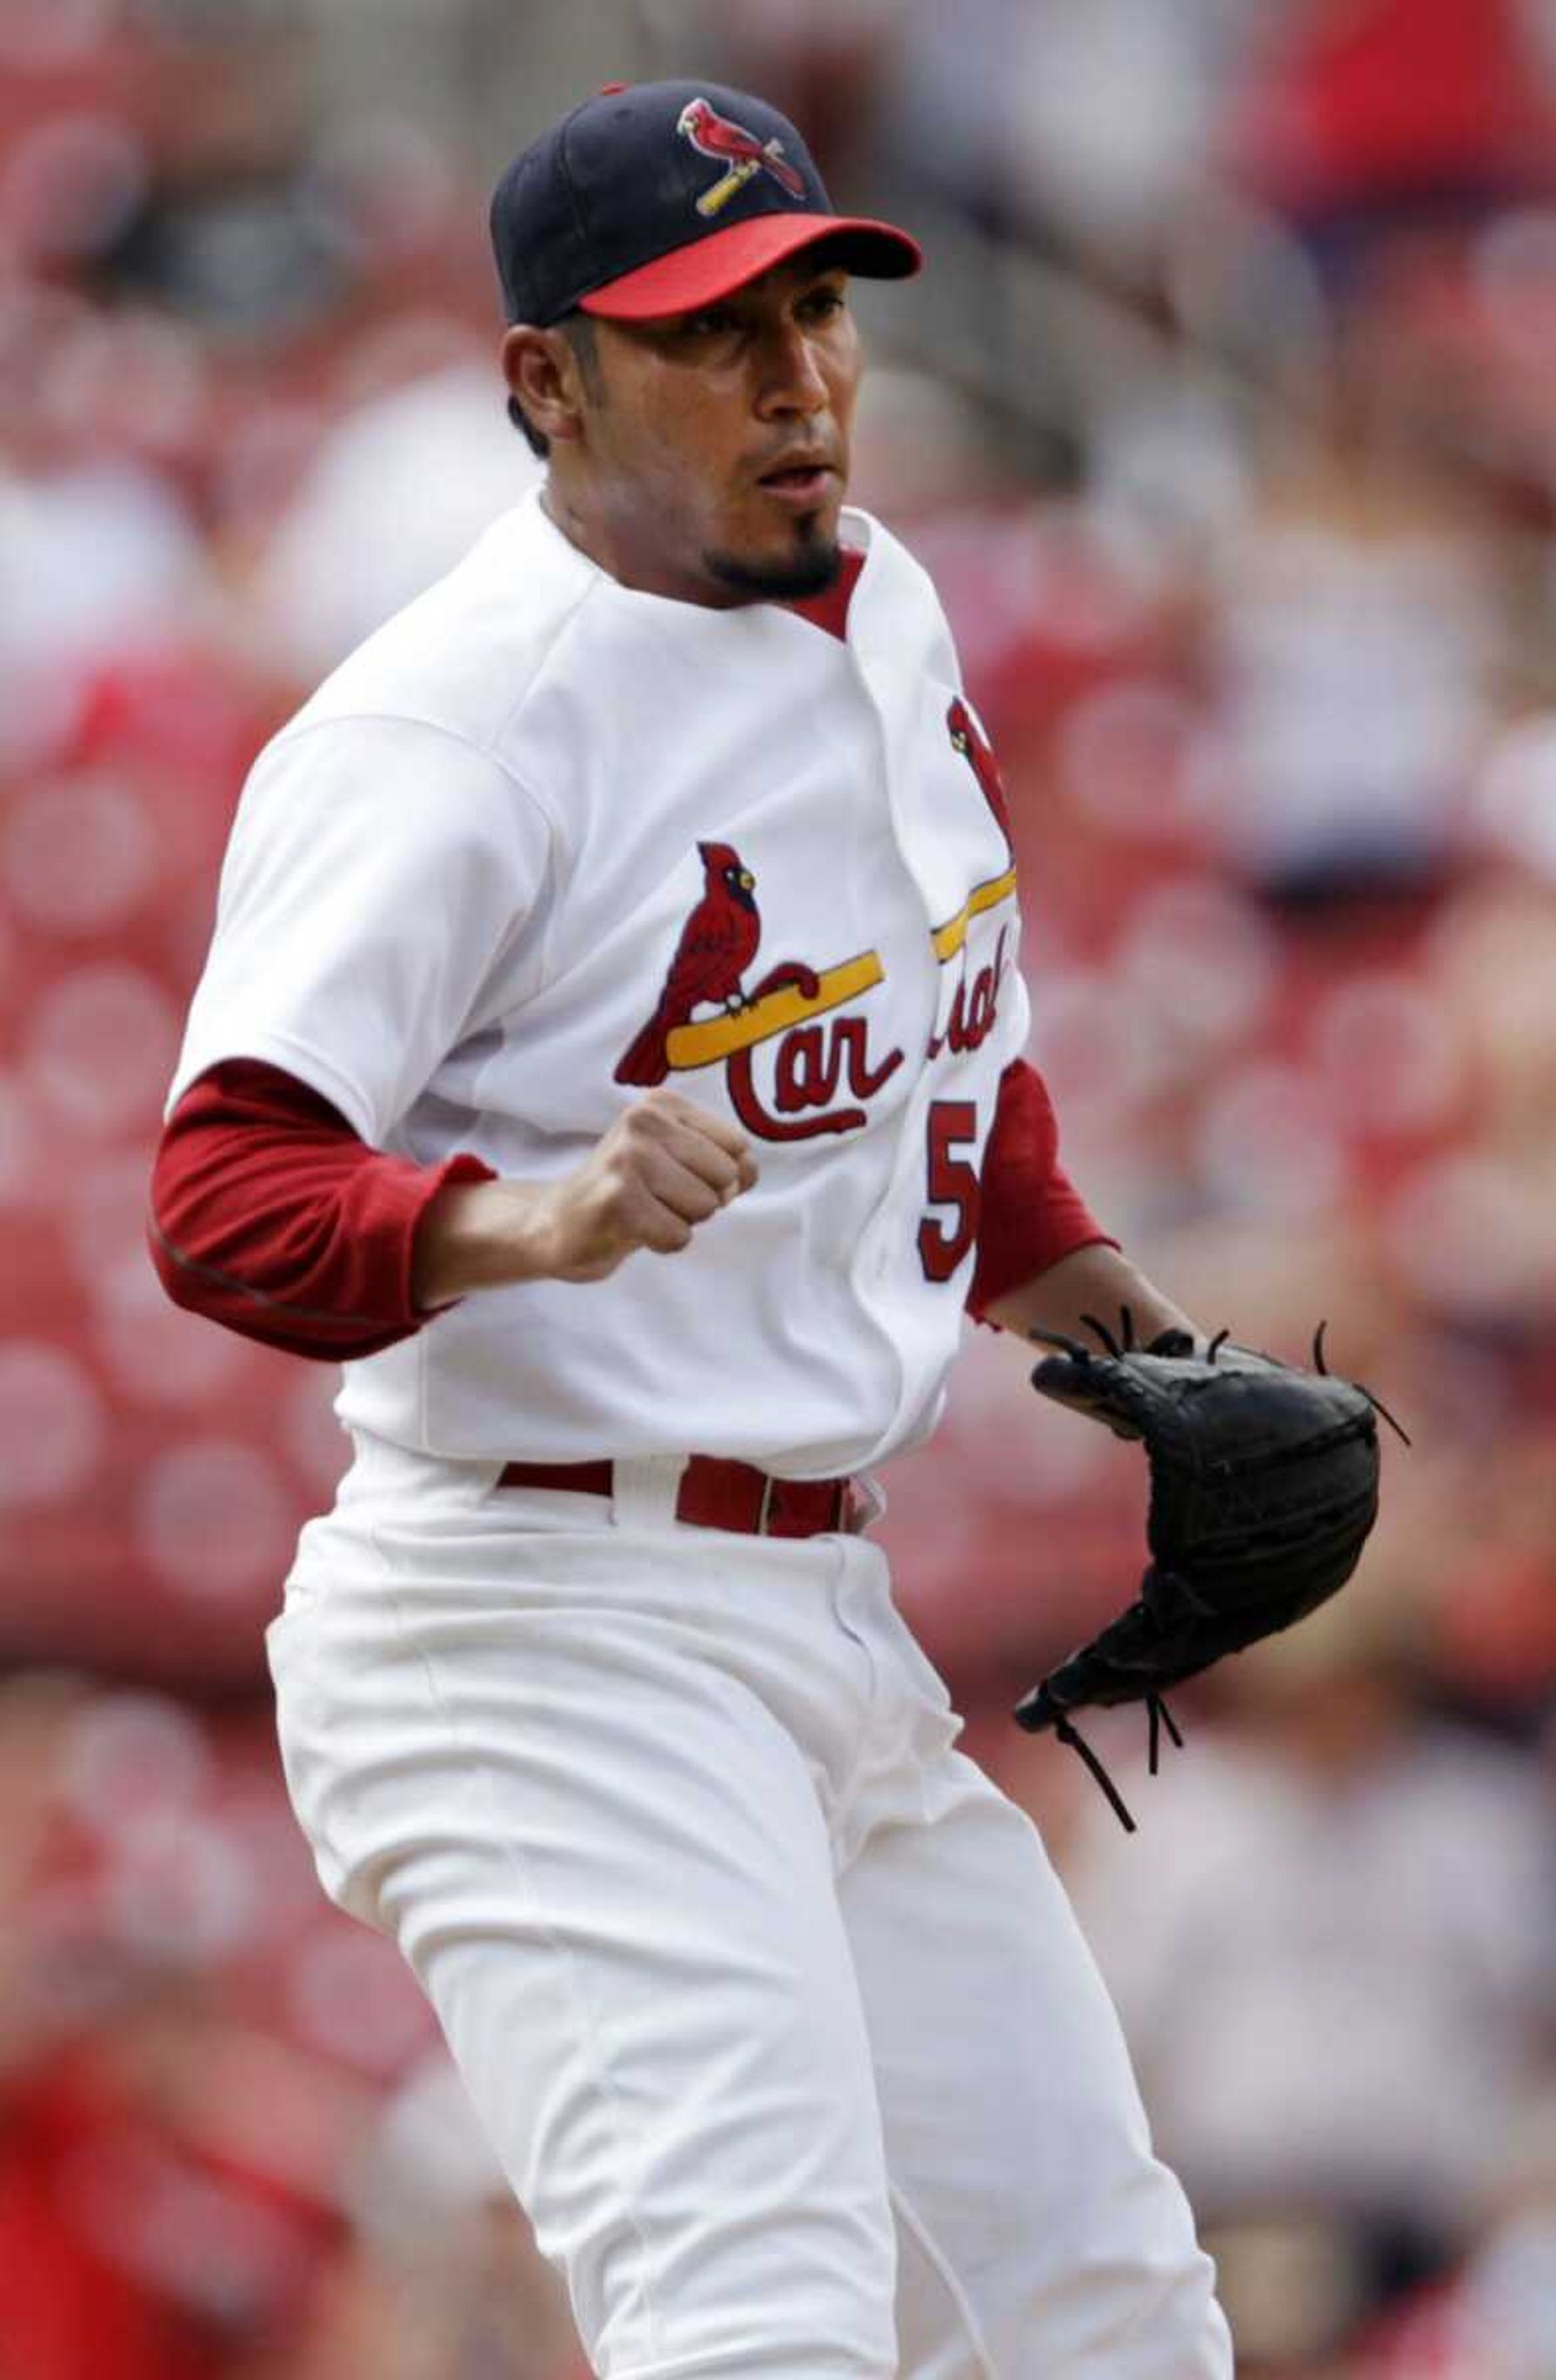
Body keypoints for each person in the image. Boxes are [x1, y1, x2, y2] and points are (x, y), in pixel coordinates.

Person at [150, 78, 1233, 2380]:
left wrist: (1157, 1354)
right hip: (539, 1622)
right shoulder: (453, 729)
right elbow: (222, 1188)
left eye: (815, 308)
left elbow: (962, 1084)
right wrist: (523, 1222)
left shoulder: (890, 610)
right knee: (759, 2329)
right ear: (544, 379)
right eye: (712, 331)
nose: (798, 377)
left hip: (818, 1617)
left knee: (1099, 2321)